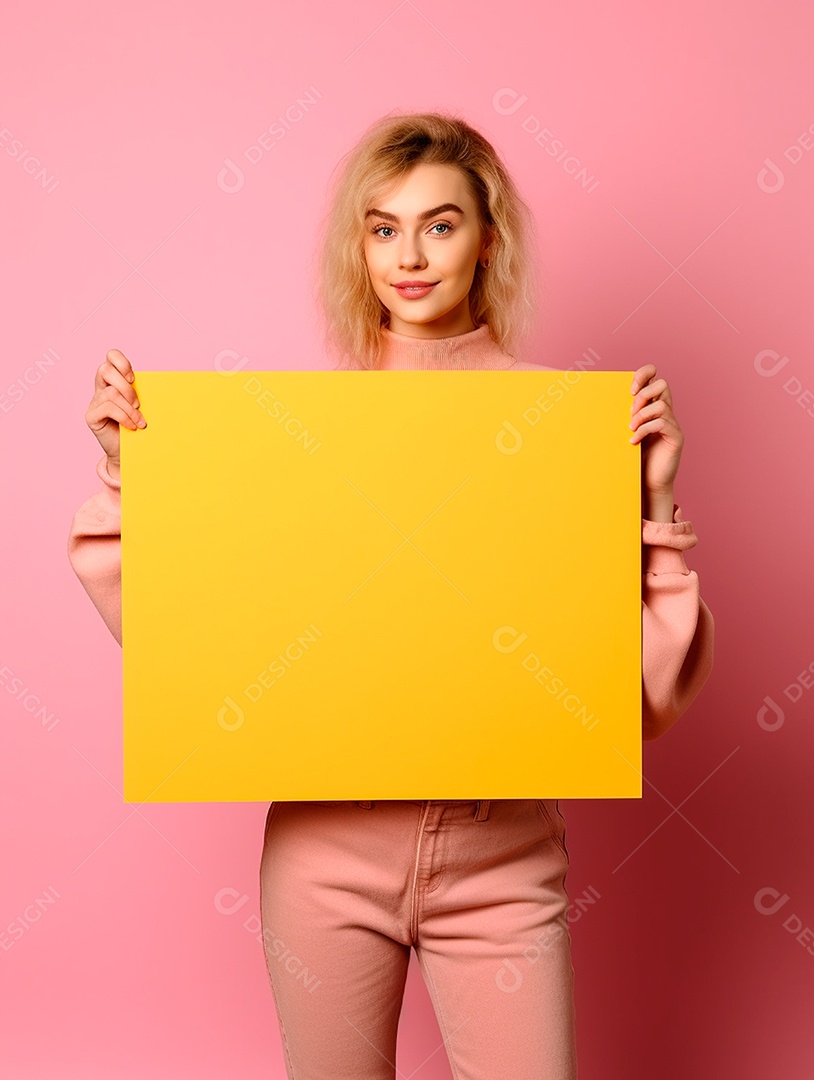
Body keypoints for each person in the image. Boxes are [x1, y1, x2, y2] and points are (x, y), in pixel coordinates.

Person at [67, 111, 715, 1080]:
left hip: (503, 859)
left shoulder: (564, 428)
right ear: (358, 245)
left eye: (439, 224)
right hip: (324, 858)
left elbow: (642, 704)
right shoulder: (296, 437)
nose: (408, 256)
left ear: (487, 234)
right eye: (383, 227)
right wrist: (136, 477)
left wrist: (654, 500)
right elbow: (189, 653)